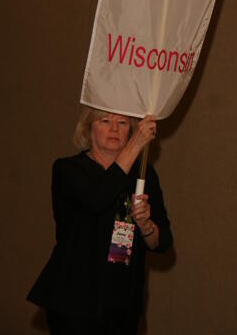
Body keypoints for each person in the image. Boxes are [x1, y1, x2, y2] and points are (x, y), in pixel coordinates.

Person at [27, 106, 173, 334]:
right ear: (88, 128)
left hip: (122, 304)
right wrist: (136, 145)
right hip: (75, 301)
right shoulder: (68, 170)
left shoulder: (144, 175)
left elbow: (162, 243)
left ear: (130, 129)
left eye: (123, 123)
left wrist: (146, 226)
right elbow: (97, 198)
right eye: (105, 121)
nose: (114, 128)